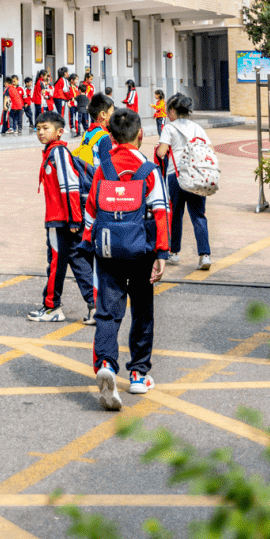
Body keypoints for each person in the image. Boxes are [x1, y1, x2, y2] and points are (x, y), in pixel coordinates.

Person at [82, 107, 169, 407]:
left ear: (110, 135)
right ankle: (138, 375)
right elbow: (160, 210)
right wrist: (163, 254)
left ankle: (106, 363)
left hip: (107, 250)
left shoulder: (103, 168)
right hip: (141, 250)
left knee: (107, 311)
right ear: (141, 135)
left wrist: (88, 243)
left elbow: (90, 211)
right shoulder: (148, 169)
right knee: (142, 310)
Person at [26, 112, 96, 322]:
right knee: (77, 258)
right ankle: (95, 307)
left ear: (59, 131)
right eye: (38, 129)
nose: (40, 132)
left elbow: (70, 186)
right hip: (66, 218)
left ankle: (52, 307)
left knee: (56, 262)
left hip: (61, 219)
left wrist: (74, 219)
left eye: (45, 128)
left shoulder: (58, 153)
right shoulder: (54, 152)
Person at [155, 93, 213, 271]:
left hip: (176, 176)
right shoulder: (198, 128)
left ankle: (174, 252)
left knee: (176, 214)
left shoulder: (169, 128)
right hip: (196, 176)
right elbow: (209, 150)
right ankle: (204, 256)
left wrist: (161, 149)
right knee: (198, 216)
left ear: (172, 110)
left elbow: (162, 153)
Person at [74, 93, 115, 170]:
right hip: (98, 179)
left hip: (88, 177)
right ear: (103, 114)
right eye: (112, 112)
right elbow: (107, 168)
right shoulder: (105, 137)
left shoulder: (87, 133)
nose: (114, 114)